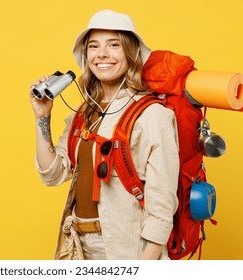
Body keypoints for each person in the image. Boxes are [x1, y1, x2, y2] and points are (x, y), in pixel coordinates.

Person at [29, 9, 179, 260]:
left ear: (131, 53)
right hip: (76, 244)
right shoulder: (83, 113)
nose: (102, 54)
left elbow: (162, 208)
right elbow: (52, 174)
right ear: (86, 55)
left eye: (114, 45)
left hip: (128, 247)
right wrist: (42, 116)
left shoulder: (153, 115)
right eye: (94, 46)